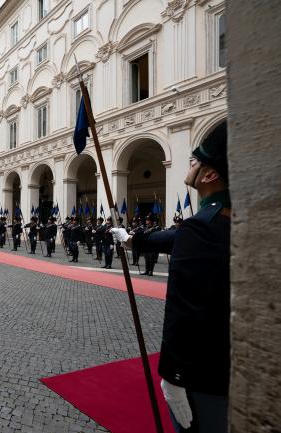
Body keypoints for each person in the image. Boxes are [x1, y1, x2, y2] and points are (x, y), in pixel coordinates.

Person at [111, 122, 230, 433]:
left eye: (195, 161)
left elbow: (185, 310)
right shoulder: (221, 217)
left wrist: (172, 377)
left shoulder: (201, 226)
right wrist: (132, 239)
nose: (189, 165)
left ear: (210, 175)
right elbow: (173, 236)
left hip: (203, 375)